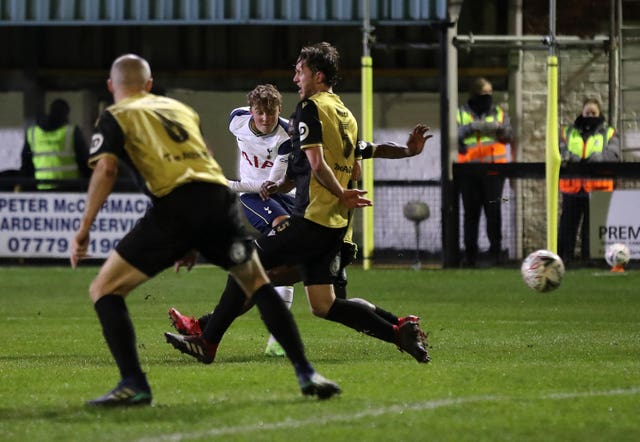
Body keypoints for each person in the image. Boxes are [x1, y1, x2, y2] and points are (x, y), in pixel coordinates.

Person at [70, 53, 341, 407]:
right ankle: (306, 371)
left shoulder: (115, 115)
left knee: (104, 289)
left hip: (175, 208)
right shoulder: (180, 110)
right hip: (218, 201)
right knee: (257, 284)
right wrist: (195, 239)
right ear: (150, 85)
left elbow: (105, 171)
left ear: (111, 86)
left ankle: (133, 384)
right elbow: (206, 158)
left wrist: (83, 230)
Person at [164, 42, 430, 366]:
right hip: (334, 228)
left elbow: (318, 164)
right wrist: (407, 151)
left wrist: (340, 191)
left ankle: (207, 341)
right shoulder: (344, 114)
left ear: (317, 75)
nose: (295, 78)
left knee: (247, 265)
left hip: (310, 221)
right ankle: (399, 330)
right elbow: (358, 151)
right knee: (325, 304)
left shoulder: (309, 109)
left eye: (299, 71)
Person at [456, 77, 513, 267]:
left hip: (494, 171)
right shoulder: (461, 113)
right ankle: (470, 256)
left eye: (490, 93)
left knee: (493, 212)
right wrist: (472, 127)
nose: (487, 97)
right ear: (474, 94)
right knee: (471, 214)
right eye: (483, 94)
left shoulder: (498, 112)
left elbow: (509, 135)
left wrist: (498, 128)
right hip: (468, 171)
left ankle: (495, 254)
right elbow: (453, 135)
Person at [558, 97, 620, 265]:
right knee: (567, 227)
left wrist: (599, 158)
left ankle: (592, 261)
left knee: (593, 229)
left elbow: (614, 155)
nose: (590, 115)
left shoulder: (610, 133)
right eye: (587, 112)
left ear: (600, 113)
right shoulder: (568, 132)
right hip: (573, 187)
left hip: (598, 189)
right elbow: (560, 150)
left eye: (593, 112)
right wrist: (571, 157)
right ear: (581, 113)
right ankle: (564, 260)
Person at [21, 98, 92, 190]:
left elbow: (26, 163)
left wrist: (25, 187)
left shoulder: (33, 133)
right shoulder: (71, 132)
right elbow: (84, 160)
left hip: (42, 187)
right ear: (66, 113)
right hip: (69, 188)